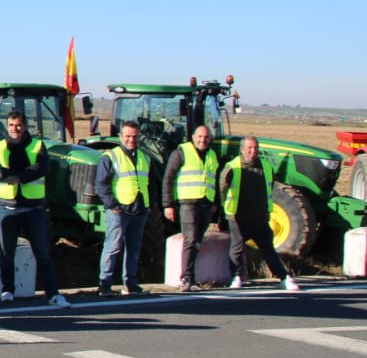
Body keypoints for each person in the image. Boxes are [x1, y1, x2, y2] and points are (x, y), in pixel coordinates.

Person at [0, 110, 67, 308]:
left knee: (42, 252)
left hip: (33, 208)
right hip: (7, 207)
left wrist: (16, 176)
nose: (15, 129)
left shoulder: (37, 145)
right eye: (12, 125)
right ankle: (7, 290)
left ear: (25, 126)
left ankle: (53, 293)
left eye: (19, 125)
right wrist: (20, 173)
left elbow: (40, 169)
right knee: (7, 252)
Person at [220, 136, 300, 291]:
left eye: (255, 148)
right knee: (237, 249)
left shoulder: (266, 167)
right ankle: (236, 277)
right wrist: (227, 210)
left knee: (268, 250)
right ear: (242, 149)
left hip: (260, 217)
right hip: (238, 217)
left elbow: (269, 188)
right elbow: (222, 189)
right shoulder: (233, 167)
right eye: (249, 148)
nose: (253, 151)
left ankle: (284, 278)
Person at [95, 120, 151, 296]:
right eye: (128, 136)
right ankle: (105, 283)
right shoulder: (110, 157)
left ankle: (131, 283)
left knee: (134, 248)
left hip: (139, 209)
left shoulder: (145, 157)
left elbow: (148, 183)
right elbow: (101, 185)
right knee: (113, 247)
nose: (131, 140)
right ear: (121, 137)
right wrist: (113, 205)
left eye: (134, 136)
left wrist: (149, 205)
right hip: (120, 210)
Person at [163, 125, 220, 291]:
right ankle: (186, 278)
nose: (202, 140)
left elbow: (214, 181)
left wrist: (214, 204)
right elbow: (168, 178)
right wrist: (168, 204)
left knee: (197, 241)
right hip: (187, 202)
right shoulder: (181, 152)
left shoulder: (212, 155)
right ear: (193, 137)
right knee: (191, 239)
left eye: (206, 137)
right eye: (200, 137)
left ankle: (192, 278)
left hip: (205, 204)